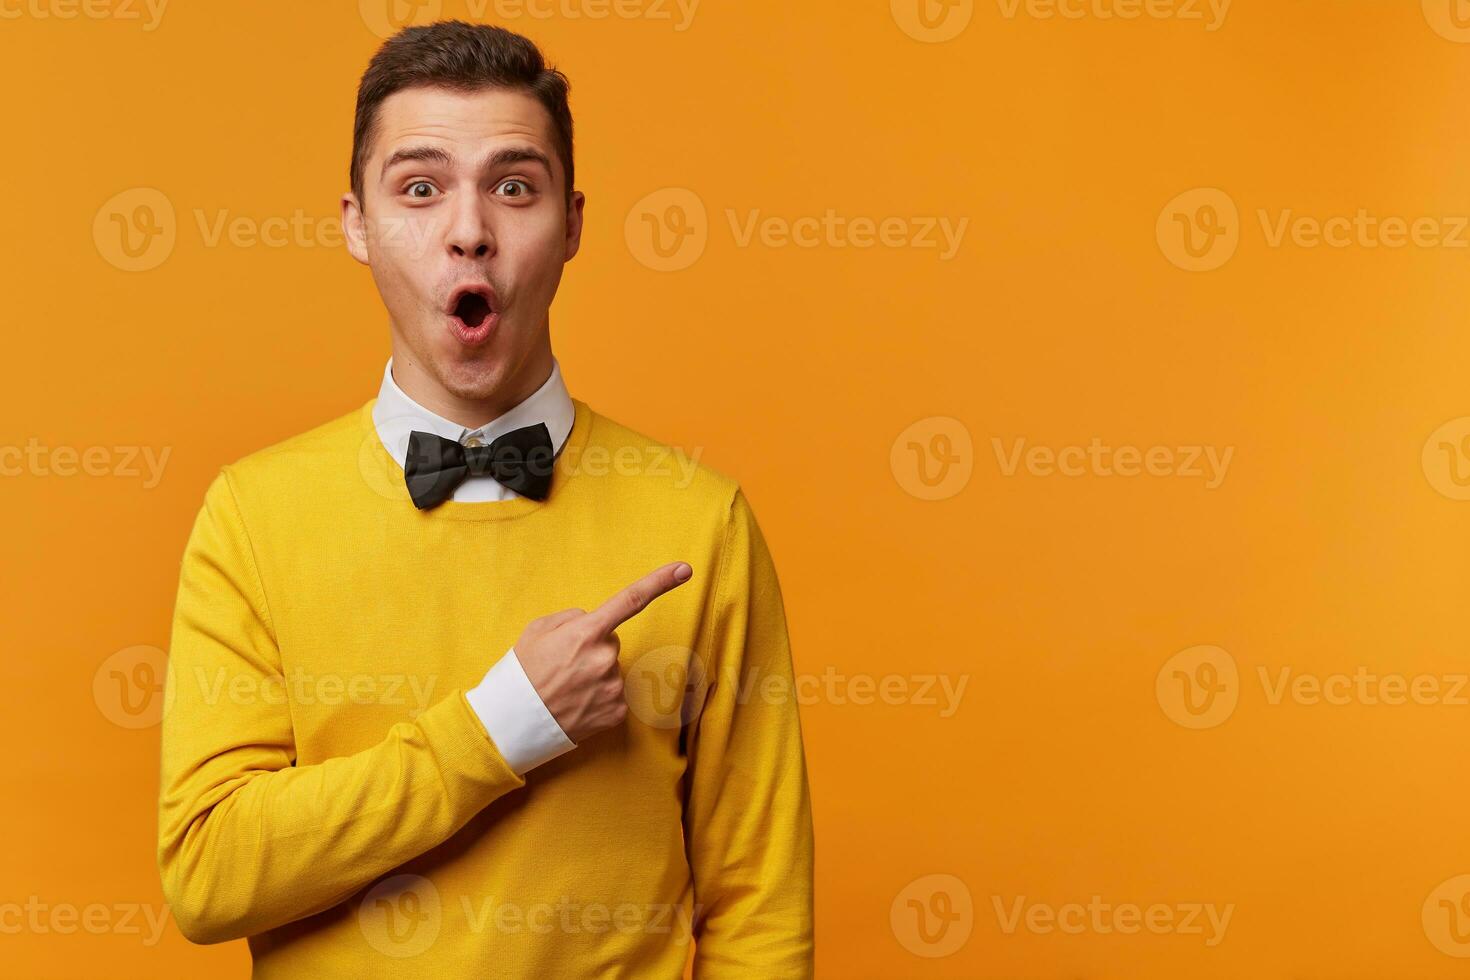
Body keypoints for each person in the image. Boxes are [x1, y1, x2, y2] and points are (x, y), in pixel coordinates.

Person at [155, 20, 814, 977]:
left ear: (574, 223)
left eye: (514, 186)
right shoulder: (251, 518)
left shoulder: (699, 519)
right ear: (356, 225)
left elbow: (763, 911)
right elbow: (208, 876)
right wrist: (504, 724)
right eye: (419, 188)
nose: (470, 229)